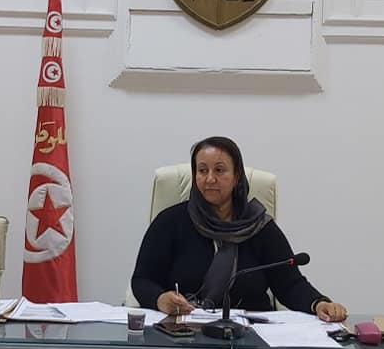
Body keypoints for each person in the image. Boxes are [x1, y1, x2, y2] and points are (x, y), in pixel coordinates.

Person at [131, 136, 347, 321]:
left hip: (248, 335)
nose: (210, 179)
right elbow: (142, 280)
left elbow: (289, 284)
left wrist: (318, 304)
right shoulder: (170, 222)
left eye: (219, 170)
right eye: (202, 170)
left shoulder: (260, 227)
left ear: (236, 176)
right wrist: (160, 299)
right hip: (184, 331)